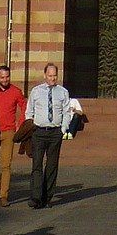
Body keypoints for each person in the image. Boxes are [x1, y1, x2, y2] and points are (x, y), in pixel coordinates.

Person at [25, 62, 71, 208]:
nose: (52, 78)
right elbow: (29, 110)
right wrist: (30, 125)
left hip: (54, 132)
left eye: (55, 75)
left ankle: (47, 197)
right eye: (50, 75)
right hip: (39, 132)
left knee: (51, 165)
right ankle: (36, 197)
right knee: (37, 165)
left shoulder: (63, 92)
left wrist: (63, 129)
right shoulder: (36, 91)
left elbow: (66, 112)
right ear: (45, 75)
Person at [0, 64, 25, 208]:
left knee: (6, 165)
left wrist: (21, 123)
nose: (5, 79)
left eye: (7, 77)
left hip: (9, 132)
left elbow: (24, 106)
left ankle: (3, 195)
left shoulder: (16, 91)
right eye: (2, 77)